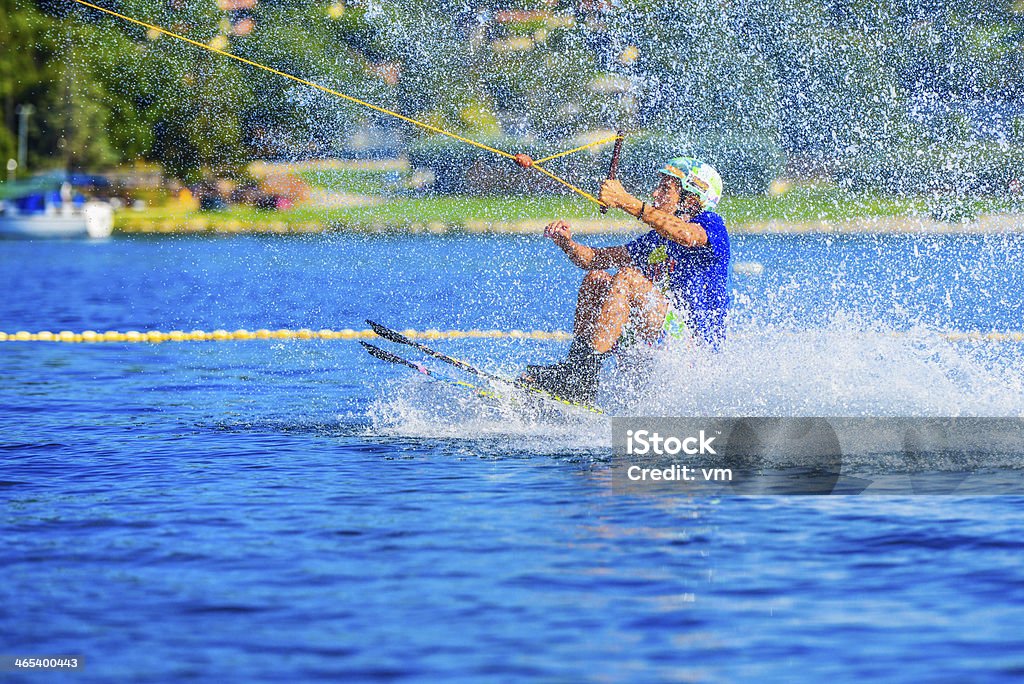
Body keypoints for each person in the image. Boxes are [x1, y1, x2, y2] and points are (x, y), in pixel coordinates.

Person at [521, 156, 730, 404]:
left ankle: (581, 378)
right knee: (596, 279)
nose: (655, 192)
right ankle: (578, 371)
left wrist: (625, 201)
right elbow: (594, 260)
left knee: (628, 277)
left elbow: (686, 235)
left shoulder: (710, 223)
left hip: (690, 353)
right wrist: (567, 243)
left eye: (665, 188)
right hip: (653, 343)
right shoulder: (655, 240)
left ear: (692, 199)